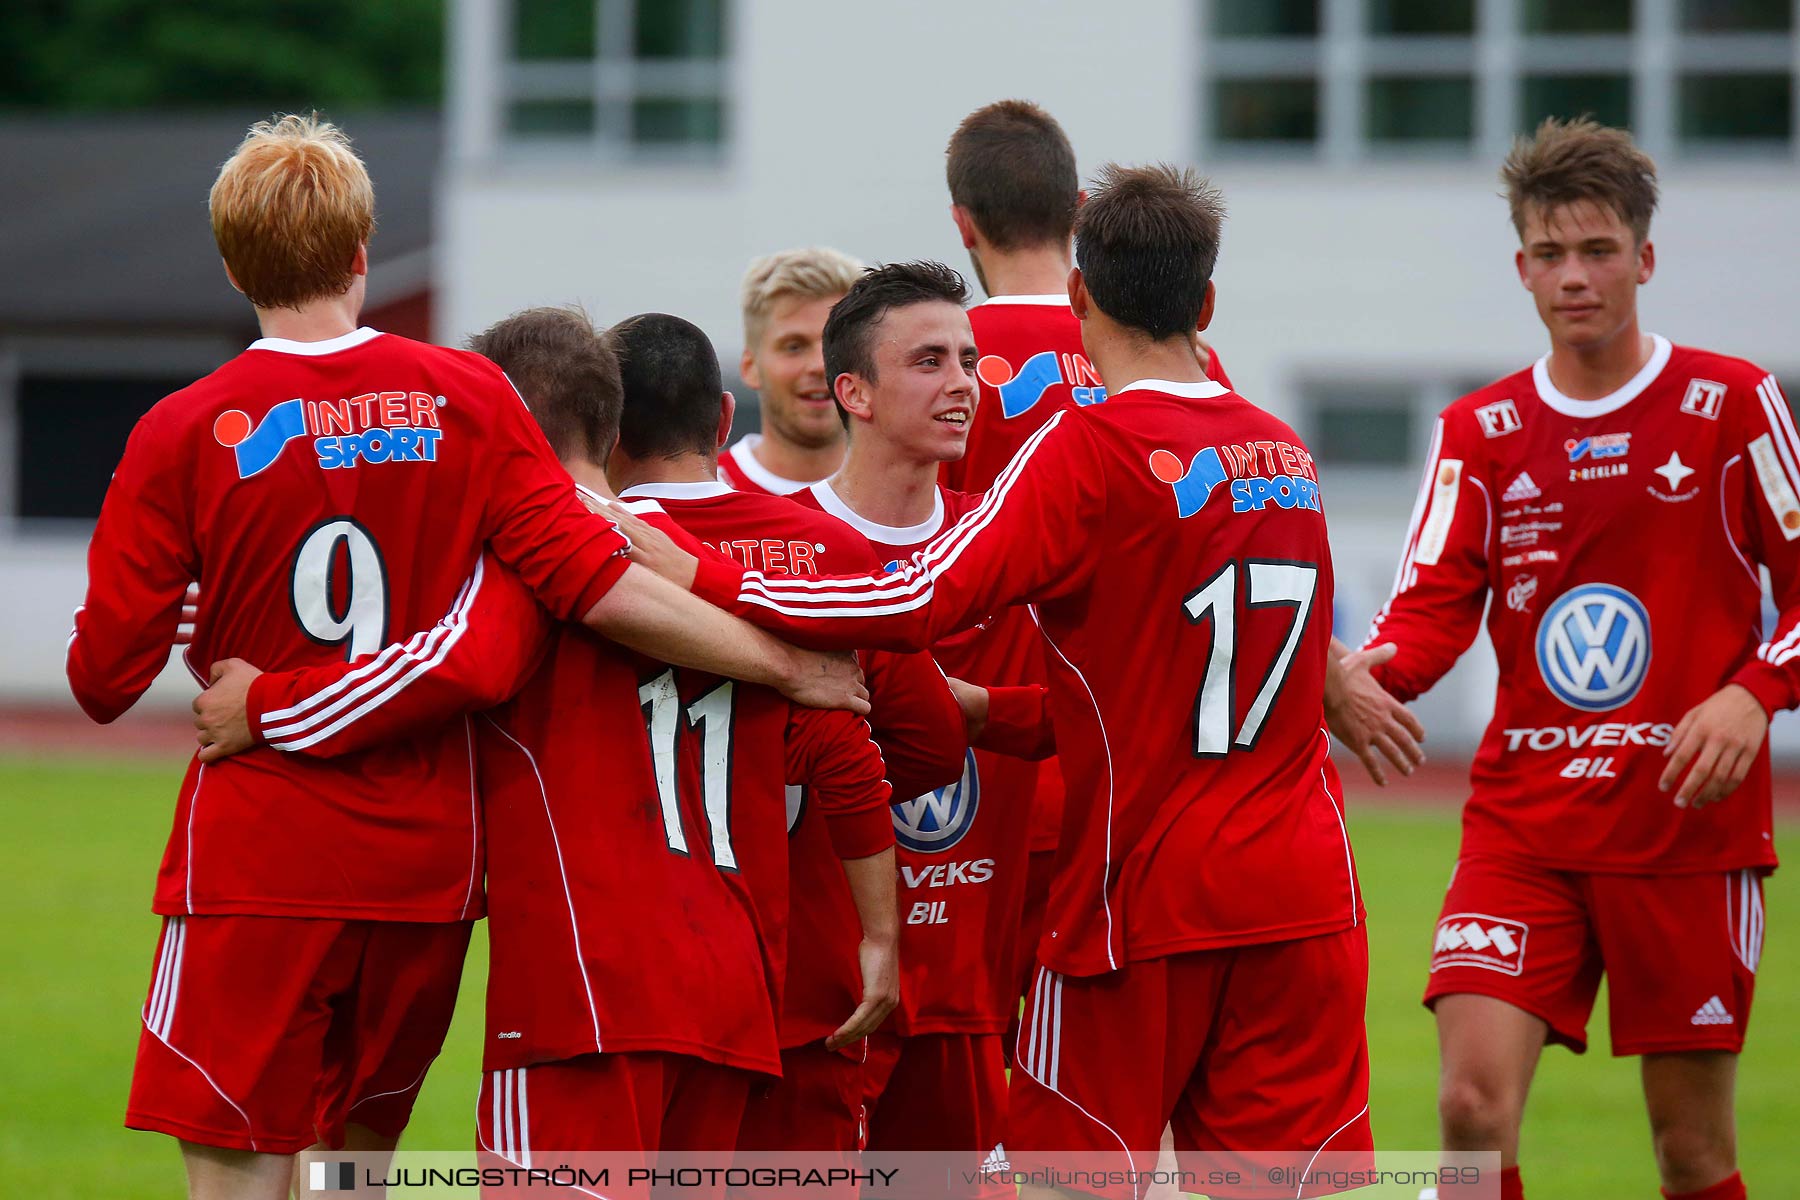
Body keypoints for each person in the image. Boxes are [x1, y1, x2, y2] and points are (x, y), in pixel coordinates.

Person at [66, 116, 861, 1200]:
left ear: (230, 262)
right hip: (423, 874)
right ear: (361, 253)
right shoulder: (469, 399)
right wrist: (788, 664)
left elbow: (105, 680)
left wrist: (217, 605)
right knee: (357, 1173)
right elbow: (595, 578)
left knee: (238, 1179)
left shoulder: (179, 431)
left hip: (256, 863)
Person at [613, 167, 1372, 1200]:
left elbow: (920, 597)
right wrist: (989, 714)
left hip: (1142, 893)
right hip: (1306, 892)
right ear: (1205, 305)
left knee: (1068, 1182)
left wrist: (705, 580)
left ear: (1079, 300)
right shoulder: (1285, 451)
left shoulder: (1092, 449)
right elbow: (1184, 675)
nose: (963, 382)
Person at [191, 307, 900, 1198]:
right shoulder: (709, 567)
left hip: (586, 989)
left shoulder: (521, 558)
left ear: (499, 427)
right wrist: (880, 927)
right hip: (734, 986)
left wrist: (261, 699)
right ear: (609, 426)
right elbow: (862, 744)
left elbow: (458, 666)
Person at [1365, 118, 1788, 1200]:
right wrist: (1346, 681)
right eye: (1551, 255)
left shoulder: (1732, 404)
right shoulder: (1481, 429)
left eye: (1598, 251)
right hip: (1526, 827)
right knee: (1466, 1106)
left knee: (1690, 1153)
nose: (1575, 276)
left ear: (1644, 259)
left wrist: (1755, 692)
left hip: (1684, 831)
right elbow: (1425, 615)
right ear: (1522, 268)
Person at [603, 311, 976, 1170]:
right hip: (806, 973)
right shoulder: (834, 549)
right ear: (725, 421)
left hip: (638, 974)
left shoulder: (587, 556)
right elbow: (930, 743)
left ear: (608, 432)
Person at [784, 262, 1047, 1178]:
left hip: (968, 995)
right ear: (851, 391)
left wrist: (979, 712)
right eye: (929, 360)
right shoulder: (777, 545)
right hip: (817, 996)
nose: (964, 383)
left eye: (969, 360)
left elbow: (1102, 710)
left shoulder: (1013, 544)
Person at [717, 247, 864, 495]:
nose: (820, 366)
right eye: (794, 346)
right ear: (750, 367)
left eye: (835, 344)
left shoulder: (917, 493)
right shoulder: (706, 492)